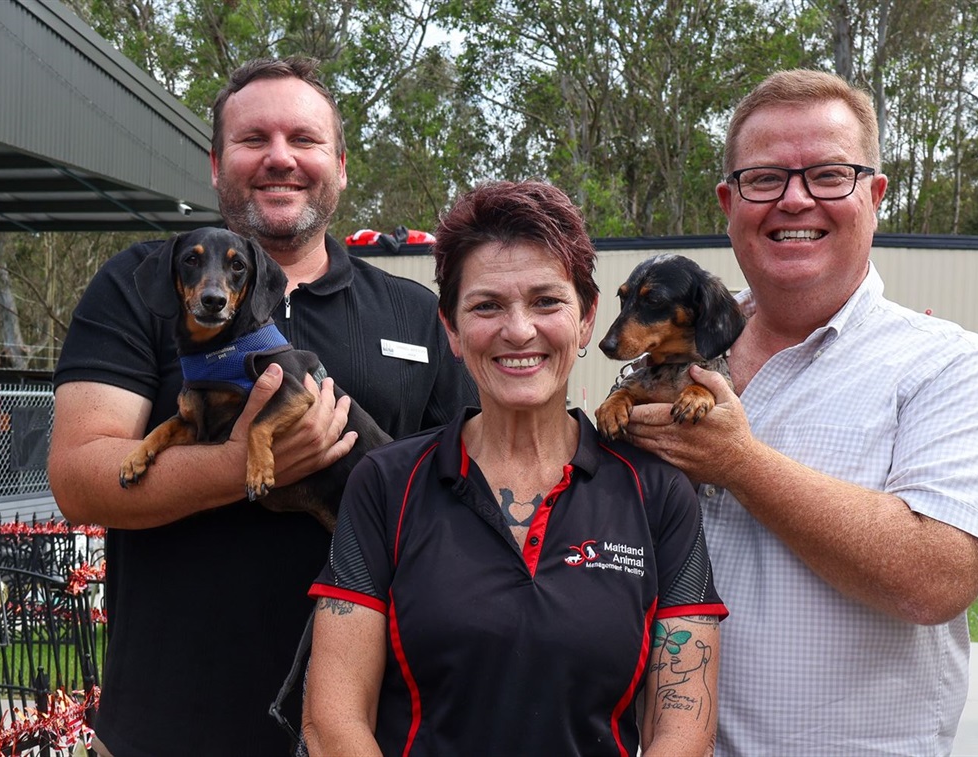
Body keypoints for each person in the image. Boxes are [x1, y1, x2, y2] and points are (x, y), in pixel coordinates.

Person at [48, 57, 477, 757]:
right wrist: (238, 466)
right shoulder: (140, 285)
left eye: (304, 140)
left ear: (338, 164)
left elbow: (464, 497)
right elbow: (77, 476)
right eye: (254, 140)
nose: (281, 158)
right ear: (216, 164)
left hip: (369, 732)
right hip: (168, 731)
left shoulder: (416, 313)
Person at [623, 70, 978, 756]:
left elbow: (933, 577)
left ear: (874, 195)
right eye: (764, 179)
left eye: (828, 175)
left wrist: (739, 462)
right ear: (728, 202)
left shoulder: (955, 370)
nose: (794, 199)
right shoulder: (668, 361)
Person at [301, 180, 728, 756]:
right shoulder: (385, 482)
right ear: (450, 328)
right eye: (486, 305)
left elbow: (684, 730)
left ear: (585, 320)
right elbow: (333, 723)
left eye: (547, 302)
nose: (519, 330)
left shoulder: (659, 493)